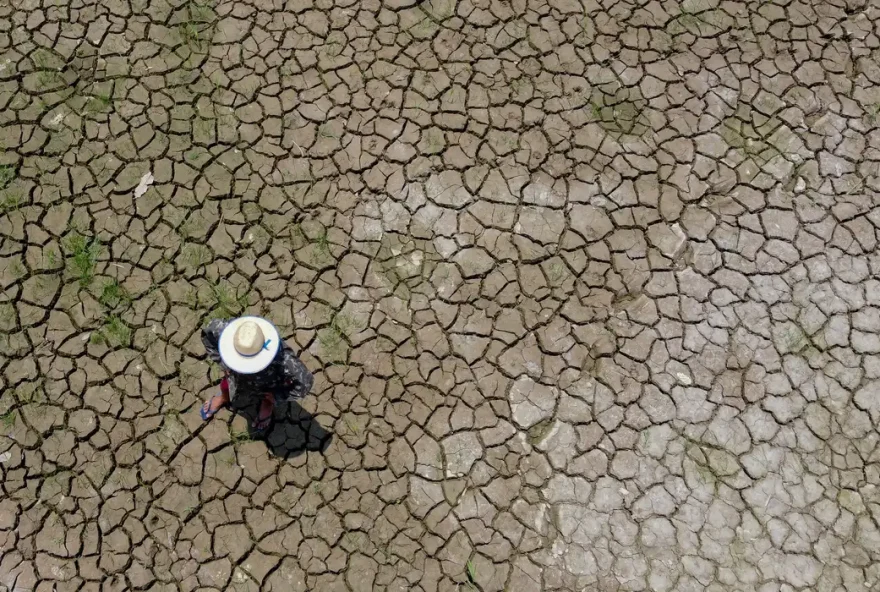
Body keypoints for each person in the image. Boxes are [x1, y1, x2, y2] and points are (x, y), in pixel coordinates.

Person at [199, 316, 313, 432]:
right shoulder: (229, 333)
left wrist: (277, 396)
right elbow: (207, 335)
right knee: (226, 385)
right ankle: (224, 397)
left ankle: (267, 404)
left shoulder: (283, 358)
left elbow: (305, 382)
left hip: (267, 383)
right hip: (236, 377)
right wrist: (224, 364)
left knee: (267, 396)